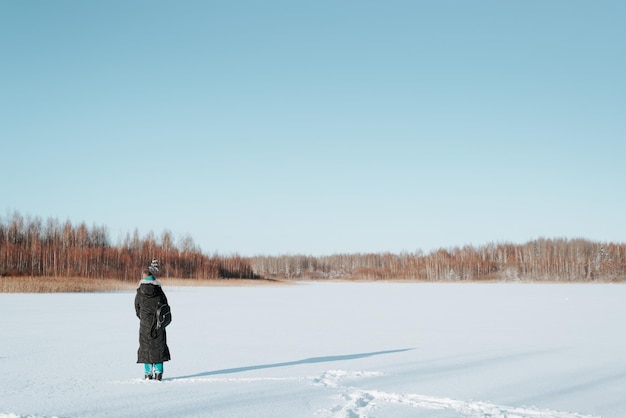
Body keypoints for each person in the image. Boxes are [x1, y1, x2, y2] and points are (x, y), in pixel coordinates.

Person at [135, 268, 171, 380]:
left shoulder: (140, 292)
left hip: (145, 325)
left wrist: (144, 318)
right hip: (159, 324)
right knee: (159, 347)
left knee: (146, 347)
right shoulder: (159, 291)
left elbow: (137, 309)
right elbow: (165, 307)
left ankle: (148, 374)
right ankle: (159, 373)